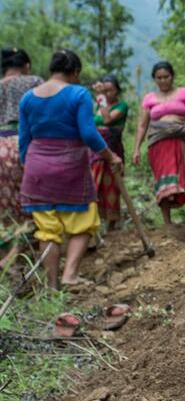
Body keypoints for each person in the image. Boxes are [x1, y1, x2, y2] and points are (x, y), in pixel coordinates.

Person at [19, 50, 123, 290]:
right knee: (84, 220)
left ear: (51, 69)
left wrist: (31, 168)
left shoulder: (28, 98)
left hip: (37, 167)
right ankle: (70, 275)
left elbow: (24, 140)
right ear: (75, 72)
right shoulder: (78, 94)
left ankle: (53, 286)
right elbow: (88, 133)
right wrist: (110, 155)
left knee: (47, 230)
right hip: (70, 167)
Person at [133, 61, 185, 225]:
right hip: (158, 145)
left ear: (172, 76)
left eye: (166, 77)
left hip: (181, 140)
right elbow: (142, 125)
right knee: (163, 180)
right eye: (159, 78)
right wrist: (136, 149)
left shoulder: (183, 92)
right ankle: (167, 223)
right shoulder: (149, 98)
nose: (163, 81)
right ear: (154, 79)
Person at [0, 47, 43, 268]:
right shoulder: (33, 82)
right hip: (23, 143)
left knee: (5, 204)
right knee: (31, 200)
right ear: (26, 65)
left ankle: (8, 254)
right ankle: (23, 256)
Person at [91, 74, 128, 231]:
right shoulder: (97, 106)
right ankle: (93, 227)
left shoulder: (121, 106)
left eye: (110, 90)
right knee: (93, 187)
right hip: (95, 150)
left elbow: (107, 120)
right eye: (104, 91)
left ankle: (112, 227)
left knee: (112, 186)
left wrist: (100, 97)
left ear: (117, 90)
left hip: (112, 148)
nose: (107, 94)